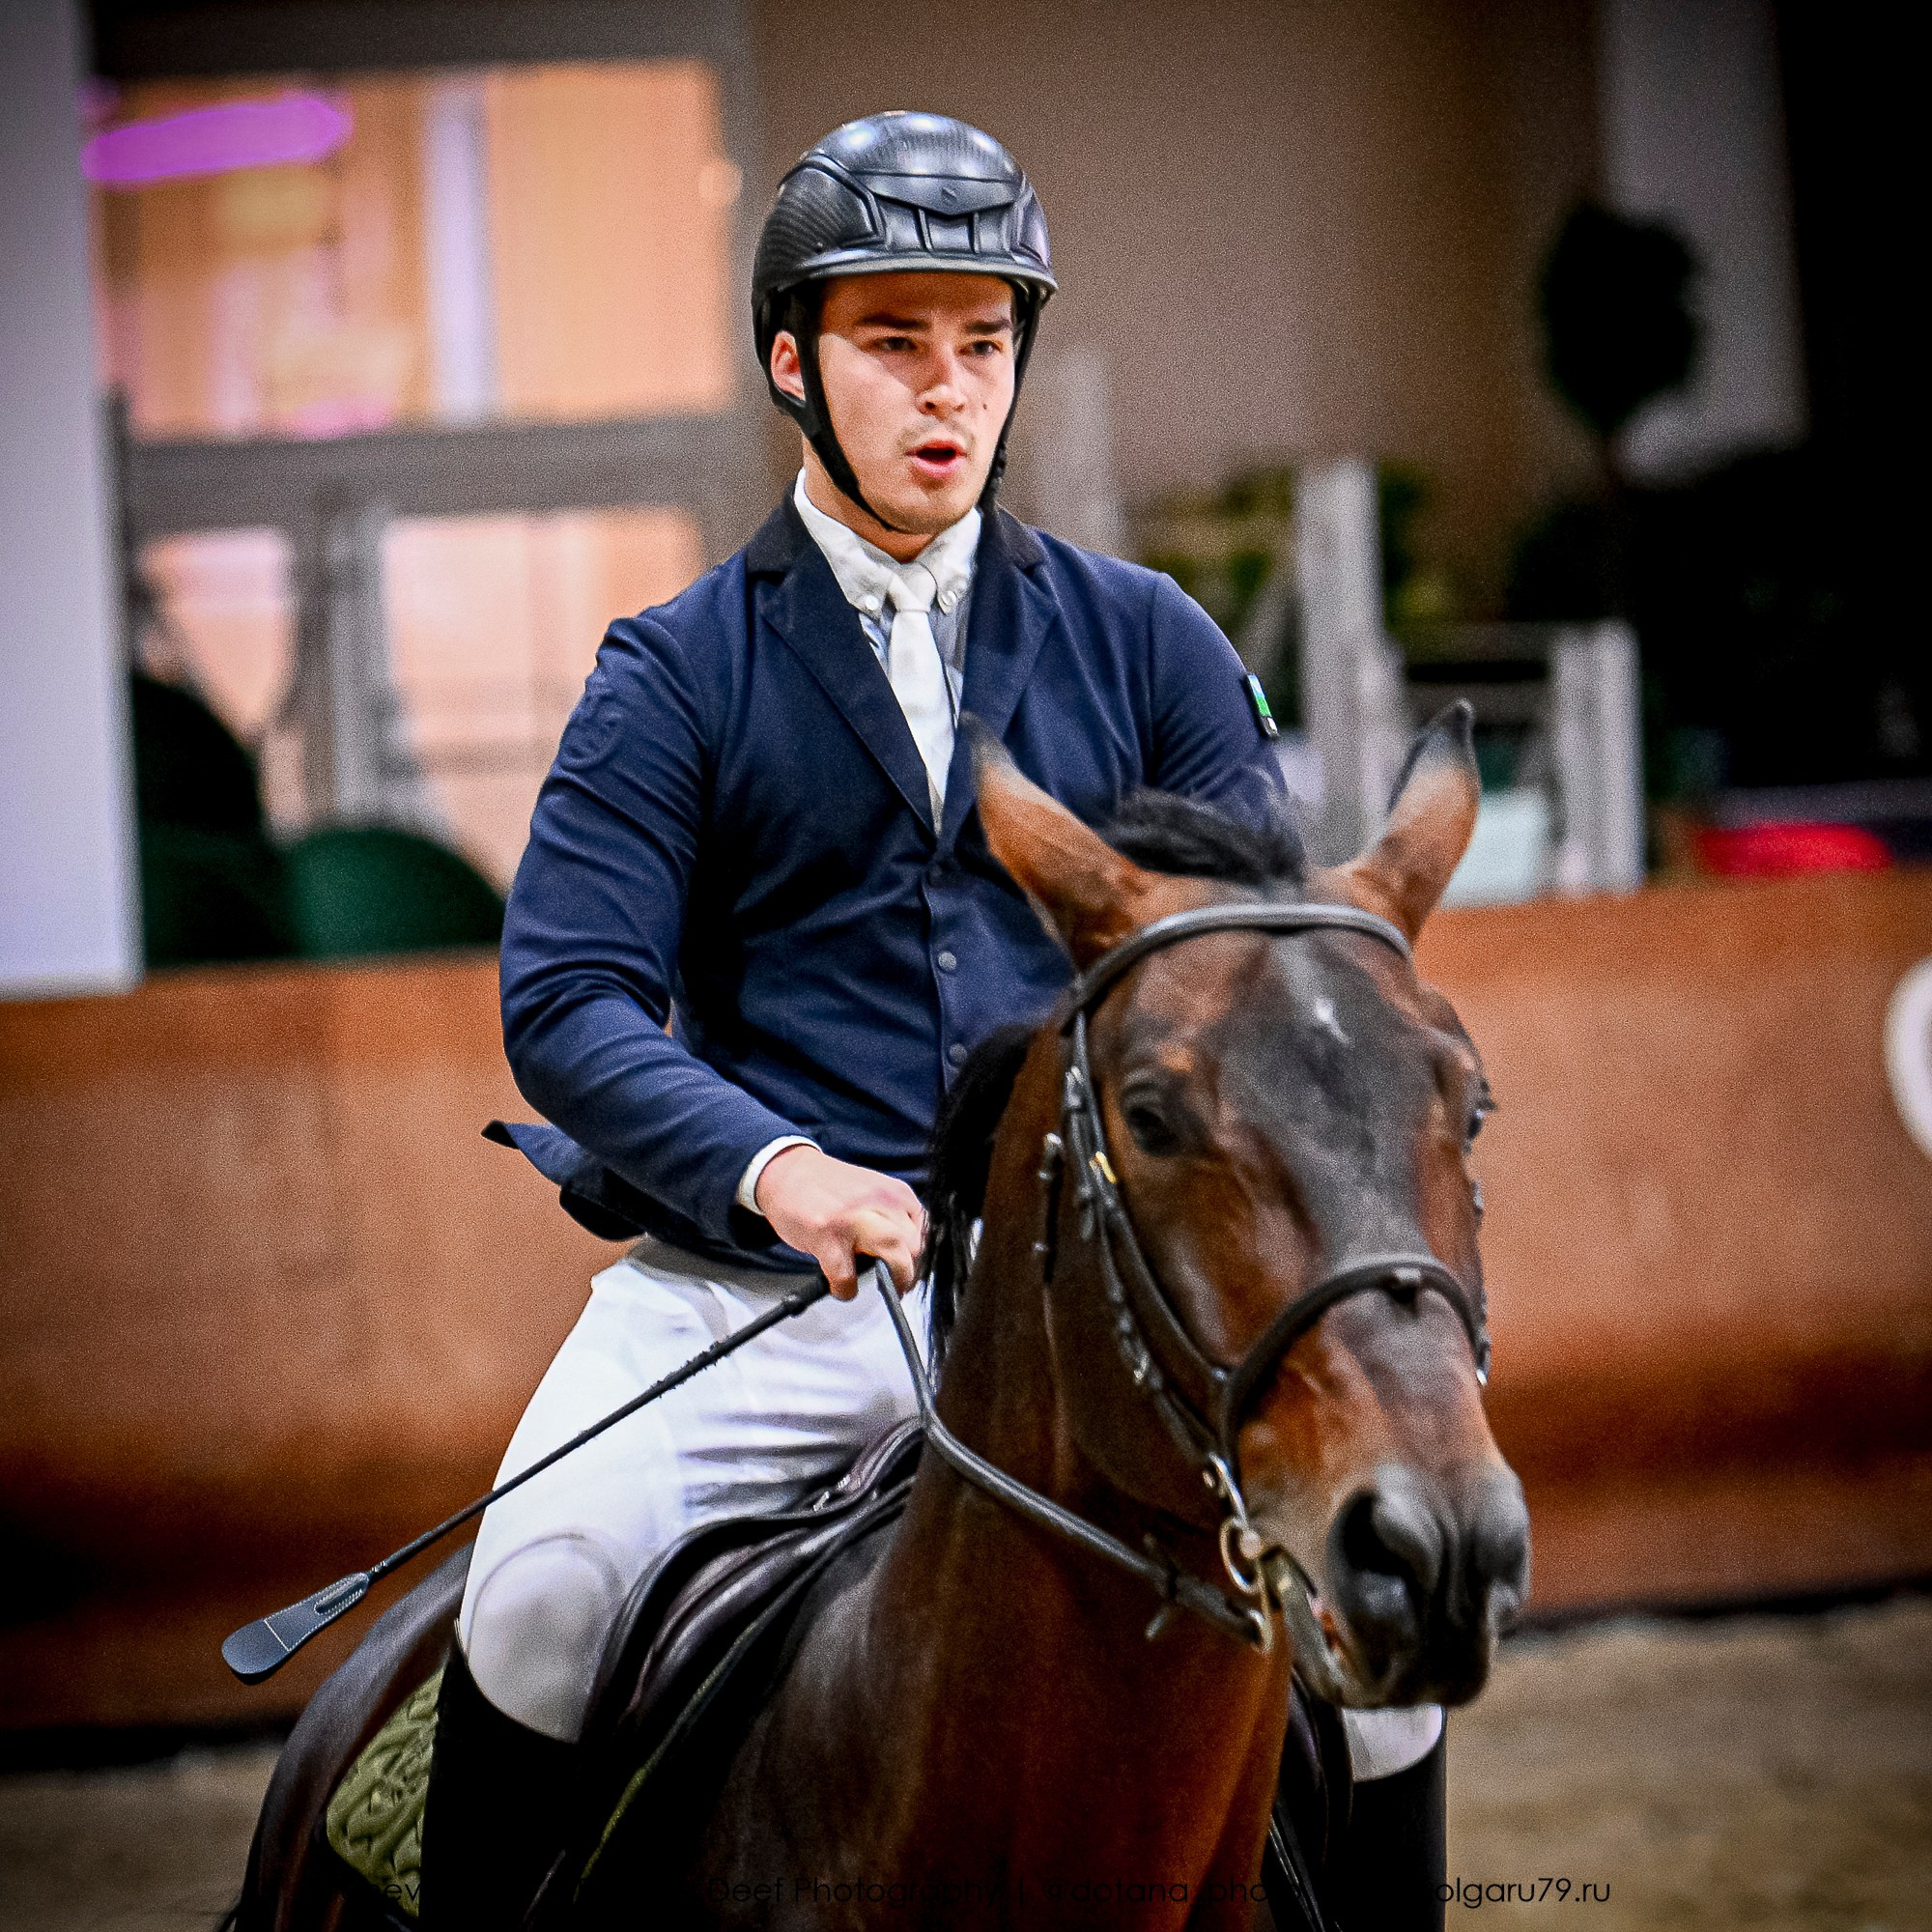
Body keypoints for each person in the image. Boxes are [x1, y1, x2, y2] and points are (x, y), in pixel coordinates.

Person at [419, 110, 1442, 1930]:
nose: (948, 391)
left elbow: (1267, 991)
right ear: (793, 363)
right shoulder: (676, 671)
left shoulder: (1153, 646)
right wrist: (777, 1169)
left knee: (1389, 1679)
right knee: (543, 1593)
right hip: (759, 1307)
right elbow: (568, 999)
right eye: (896, 343)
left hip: (1089, 1318)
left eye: (984, 344)